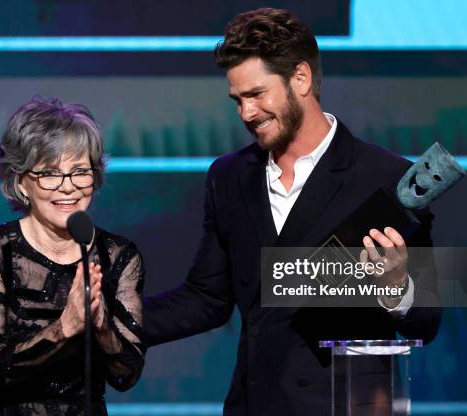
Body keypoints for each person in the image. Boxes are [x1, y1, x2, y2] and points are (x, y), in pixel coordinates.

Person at [143, 8, 440, 415]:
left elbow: (427, 318)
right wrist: (110, 320)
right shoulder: (229, 177)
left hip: (343, 404)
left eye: (256, 95)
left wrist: (395, 286)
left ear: (300, 78)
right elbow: (206, 299)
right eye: (238, 100)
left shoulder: (386, 178)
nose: (246, 113)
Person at [0, 97, 145, 415]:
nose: (68, 187)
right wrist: (63, 328)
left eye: (80, 171)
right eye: (49, 173)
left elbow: (126, 375)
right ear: (20, 181)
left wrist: (100, 327)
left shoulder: (117, 255)